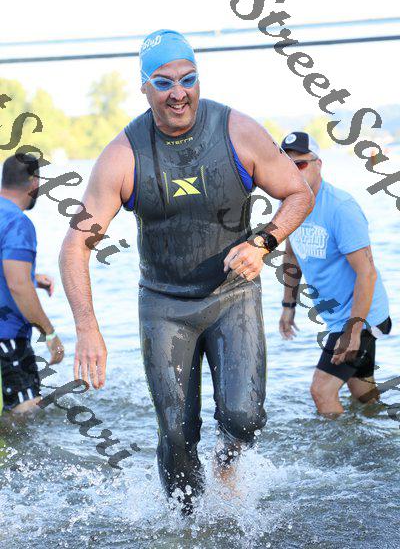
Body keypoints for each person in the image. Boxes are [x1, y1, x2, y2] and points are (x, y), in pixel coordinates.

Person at [59, 30, 313, 512]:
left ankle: (226, 465)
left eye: (188, 79)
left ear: (198, 79)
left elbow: (299, 193)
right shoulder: (123, 155)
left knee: (244, 418)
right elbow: (74, 247)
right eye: (164, 82)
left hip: (233, 296)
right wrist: (87, 328)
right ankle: (186, 528)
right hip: (164, 306)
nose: (178, 92)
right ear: (145, 88)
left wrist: (264, 242)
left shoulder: (237, 131)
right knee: (176, 434)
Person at [279, 132, 391, 416]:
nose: (294, 171)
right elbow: (291, 256)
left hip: (361, 316)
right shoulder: (290, 205)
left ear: (319, 164)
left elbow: (367, 273)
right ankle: (384, 432)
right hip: (340, 317)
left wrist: (353, 331)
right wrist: (288, 306)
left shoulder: (341, 208)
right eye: (286, 165)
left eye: (300, 164)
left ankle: (343, 446)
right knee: (362, 393)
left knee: (321, 391)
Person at [0, 154, 64, 415]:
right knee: (25, 414)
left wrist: (32, 278)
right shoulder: (18, 223)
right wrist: (49, 332)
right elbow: (17, 285)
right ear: (34, 182)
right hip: (8, 339)